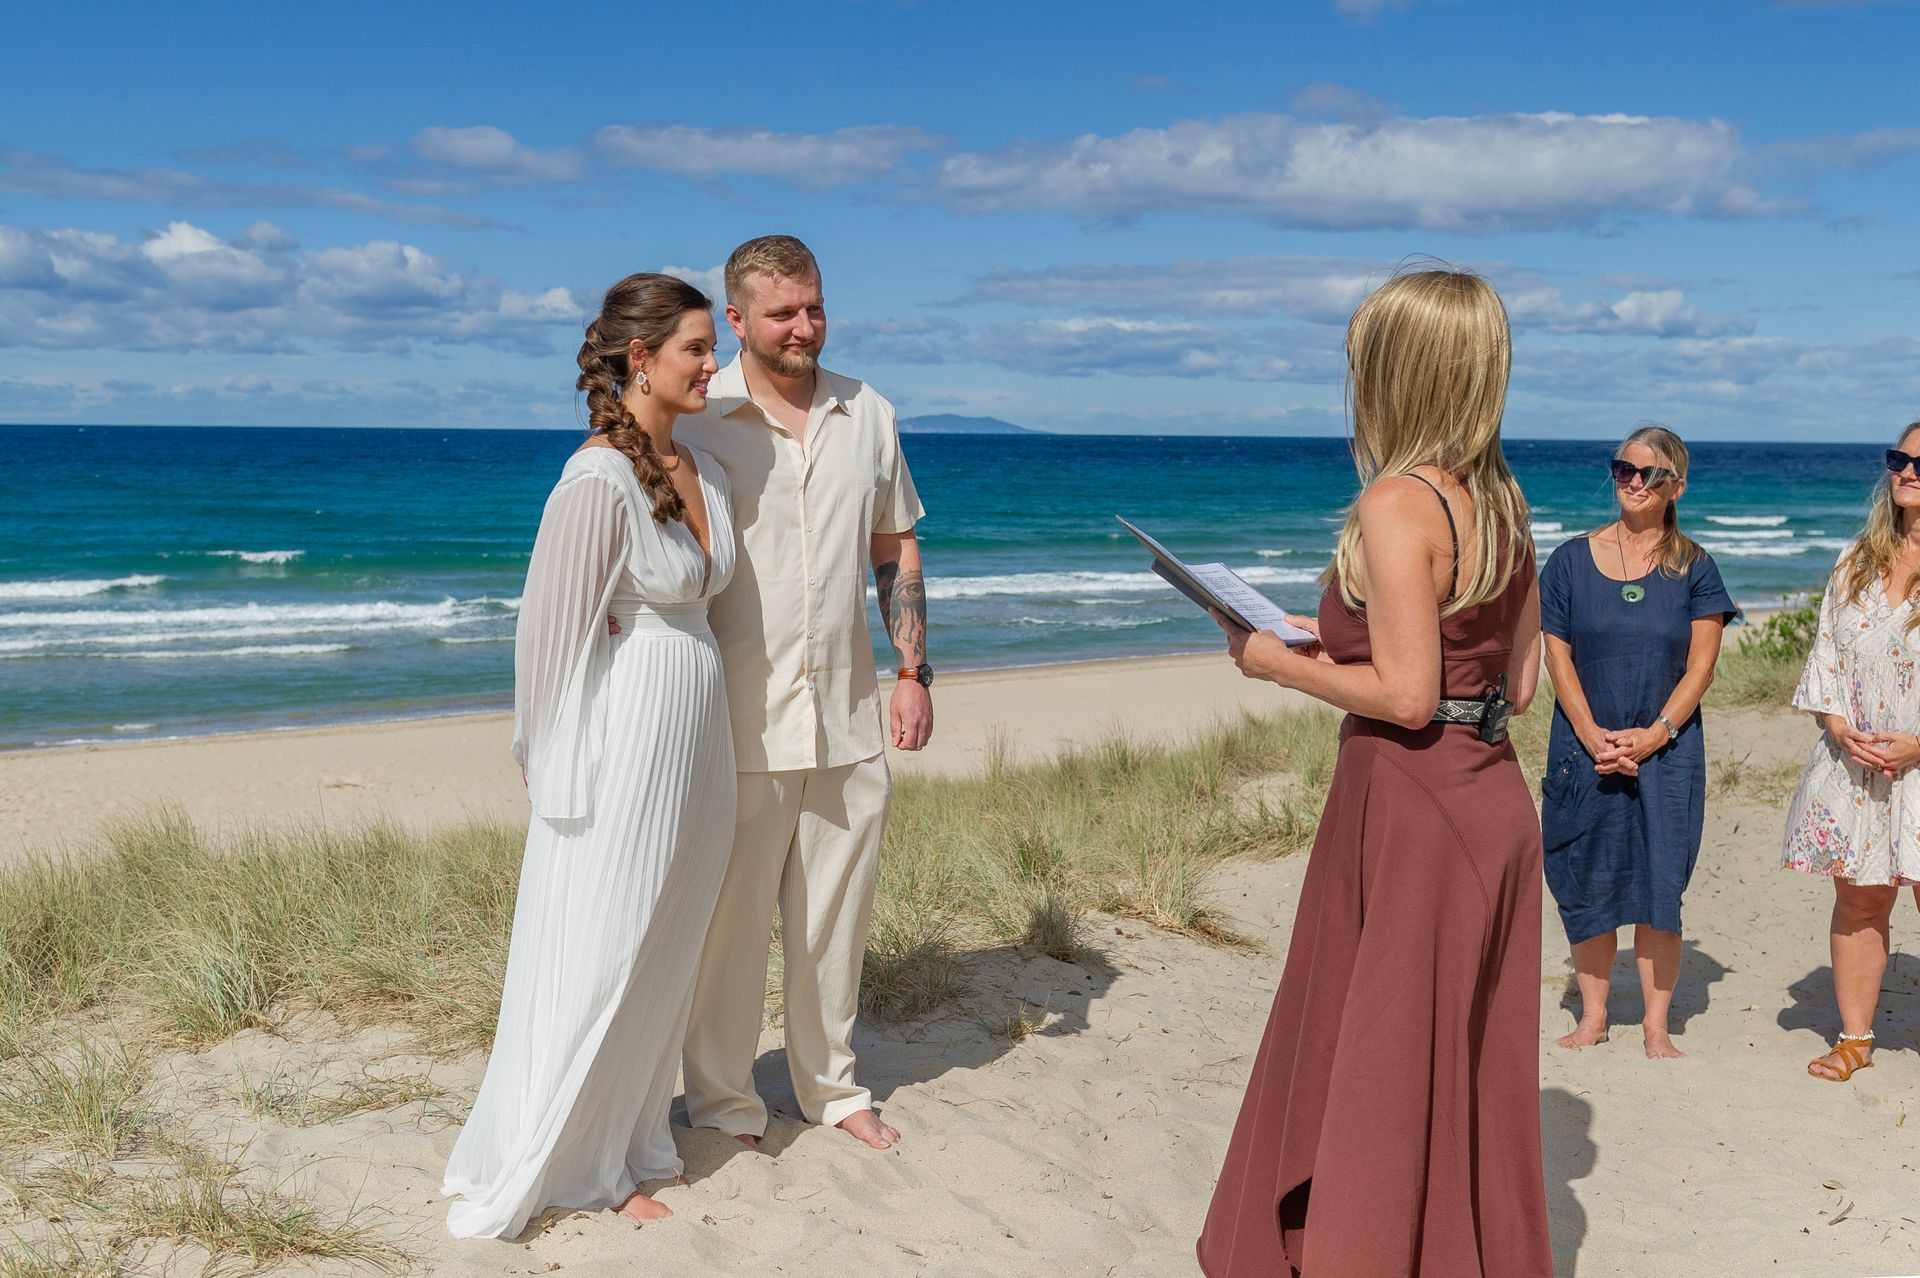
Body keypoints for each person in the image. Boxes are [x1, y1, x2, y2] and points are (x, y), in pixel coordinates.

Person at [1197, 268, 1551, 1277]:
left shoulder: (1399, 501)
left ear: (1396, 372)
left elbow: (1404, 697)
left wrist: (1276, 660)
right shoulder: (1507, 498)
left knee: (1390, 1060)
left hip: (1411, 803)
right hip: (1487, 800)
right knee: (1459, 1060)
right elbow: (1516, 684)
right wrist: (1339, 640)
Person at [442, 274, 735, 1237]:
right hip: (628, 740)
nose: (712, 363)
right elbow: (549, 638)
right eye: (696, 347)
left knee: (668, 939)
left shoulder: (704, 468)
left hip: (700, 729)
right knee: (608, 940)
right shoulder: (596, 478)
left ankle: (630, 1134)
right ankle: (577, 1161)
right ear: (640, 357)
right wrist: (549, 756)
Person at [675, 235, 931, 1153]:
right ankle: (724, 1101)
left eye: (815, 307)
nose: (805, 327)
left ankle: (833, 1090)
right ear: (736, 319)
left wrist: (912, 673)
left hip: (850, 715)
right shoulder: (699, 419)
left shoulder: (869, 412)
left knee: (836, 920)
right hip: (735, 722)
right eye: (783, 312)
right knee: (730, 932)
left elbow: (895, 543)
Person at [1538, 425, 1736, 1059]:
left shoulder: (1695, 566)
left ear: (1676, 485)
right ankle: (1594, 1015)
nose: (1631, 480)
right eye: (1623, 468)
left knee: (1659, 885)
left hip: (1669, 752)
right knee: (1587, 876)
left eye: (1647, 473)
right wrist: (1593, 734)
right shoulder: (1569, 560)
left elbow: (1701, 667)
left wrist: (1654, 736)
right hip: (1583, 749)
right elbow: (1557, 656)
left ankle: (1655, 1025)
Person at [1782, 421, 1920, 1083]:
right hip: (1858, 768)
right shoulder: (1856, 560)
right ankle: (1855, 1039)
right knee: (1862, 900)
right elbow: (1826, 660)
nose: (1908, 471)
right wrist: (1838, 728)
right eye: (1900, 459)